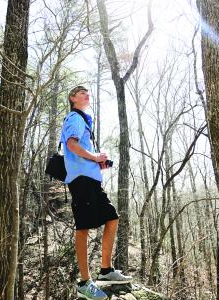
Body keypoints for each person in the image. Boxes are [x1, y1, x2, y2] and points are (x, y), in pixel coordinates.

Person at [61, 86, 132, 300]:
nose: (86, 94)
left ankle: (105, 270)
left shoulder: (84, 120)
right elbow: (72, 145)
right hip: (81, 180)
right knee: (83, 227)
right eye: (81, 92)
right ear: (73, 98)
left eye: (87, 92)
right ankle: (84, 282)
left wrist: (98, 163)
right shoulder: (74, 117)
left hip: (91, 179)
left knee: (112, 218)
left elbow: (80, 149)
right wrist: (95, 157)